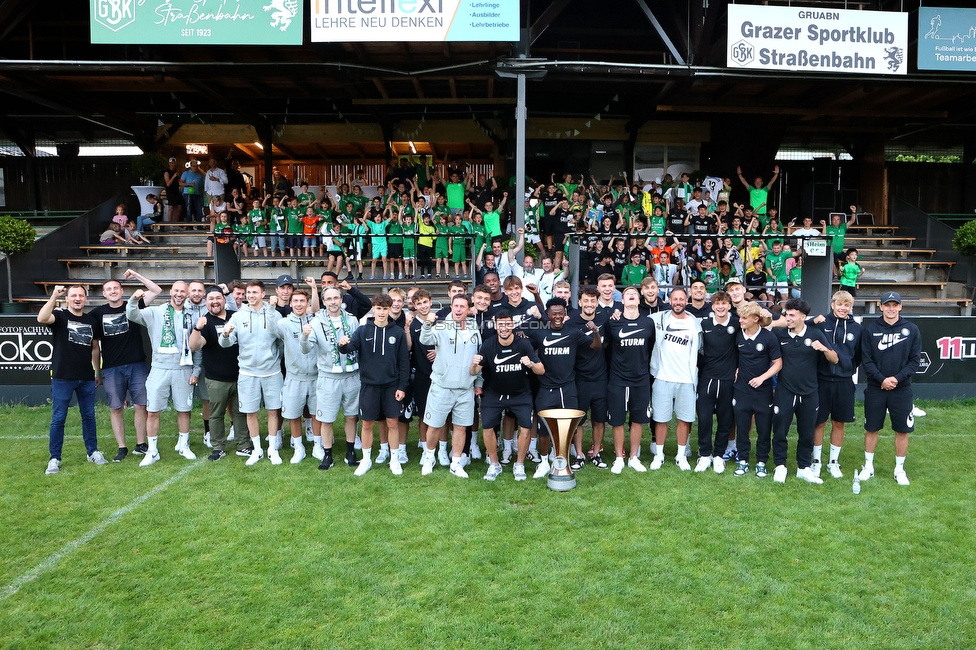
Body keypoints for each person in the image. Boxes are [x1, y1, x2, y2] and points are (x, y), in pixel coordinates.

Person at [126, 281, 202, 466]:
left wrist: (196, 369)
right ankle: (152, 451)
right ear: (171, 292)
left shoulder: (192, 315)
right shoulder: (156, 312)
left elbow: (198, 346)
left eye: (182, 291)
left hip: (183, 368)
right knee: (152, 411)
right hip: (159, 368)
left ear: (186, 294)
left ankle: (184, 445)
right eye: (176, 290)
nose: (179, 294)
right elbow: (132, 314)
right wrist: (133, 300)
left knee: (184, 410)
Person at [525, 297, 602, 479]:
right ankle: (544, 462)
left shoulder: (573, 333)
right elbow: (526, 347)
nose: (557, 316)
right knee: (544, 429)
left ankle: (563, 459)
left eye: (561, 313)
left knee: (569, 428)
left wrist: (596, 332)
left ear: (565, 314)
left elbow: (595, 346)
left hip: (568, 388)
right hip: (546, 388)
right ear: (548, 315)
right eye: (554, 314)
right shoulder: (540, 334)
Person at [89, 271, 161, 462]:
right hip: (112, 368)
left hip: (137, 364)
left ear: (121, 290)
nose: (113, 291)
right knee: (116, 408)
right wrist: (97, 370)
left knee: (141, 405)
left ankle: (140, 444)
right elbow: (95, 347)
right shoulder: (96, 314)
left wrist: (136, 275)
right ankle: (122, 447)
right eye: (109, 289)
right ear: (104, 294)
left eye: (116, 288)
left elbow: (156, 289)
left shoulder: (134, 304)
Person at [338, 294, 410, 476]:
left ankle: (394, 460)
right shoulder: (363, 331)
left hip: (392, 386)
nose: (381, 312)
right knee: (368, 423)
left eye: (385, 309)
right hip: (369, 386)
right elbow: (349, 348)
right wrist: (342, 345)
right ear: (373, 309)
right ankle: (366, 460)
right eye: (378, 308)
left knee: (393, 422)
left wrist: (402, 387)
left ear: (389, 309)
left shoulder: (398, 332)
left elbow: (404, 362)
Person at [38, 285, 107, 474]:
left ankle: (92, 452)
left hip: (86, 377)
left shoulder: (91, 321)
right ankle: (54, 458)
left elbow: (95, 348)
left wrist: (97, 372)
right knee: (59, 418)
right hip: (62, 376)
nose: (77, 298)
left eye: (81, 295)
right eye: (73, 295)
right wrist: (53, 296)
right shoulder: (60, 317)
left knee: (89, 416)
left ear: (85, 299)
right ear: (67, 299)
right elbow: (42, 317)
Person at [770, 298, 839, 484]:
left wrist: (824, 349)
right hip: (785, 390)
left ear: (803, 317)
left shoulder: (816, 334)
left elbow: (834, 359)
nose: (788, 318)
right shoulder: (780, 335)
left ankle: (804, 467)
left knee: (807, 432)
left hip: (809, 392)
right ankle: (780, 466)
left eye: (792, 315)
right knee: (780, 431)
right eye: (787, 314)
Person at [857, 291, 921, 486]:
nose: (891, 308)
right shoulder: (870, 329)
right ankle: (868, 467)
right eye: (887, 305)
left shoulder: (911, 329)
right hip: (876, 388)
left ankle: (899, 470)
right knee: (872, 428)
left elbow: (915, 360)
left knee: (902, 430)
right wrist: (881, 379)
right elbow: (866, 360)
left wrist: (896, 379)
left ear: (900, 307)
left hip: (902, 389)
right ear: (881, 306)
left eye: (895, 305)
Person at [471, 310, 544, 481]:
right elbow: (473, 371)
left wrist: (531, 363)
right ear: (496, 326)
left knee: (526, 427)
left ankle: (519, 465)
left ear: (512, 325)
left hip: (520, 393)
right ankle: (494, 464)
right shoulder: (488, 345)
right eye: (500, 324)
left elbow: (541, 370)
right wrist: (474, 365)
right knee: (488, 427)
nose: (504, 328)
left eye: (507, 324)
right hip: (494, 393)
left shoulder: (523, 344)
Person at [219, 280, 284, 466]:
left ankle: (272, 449)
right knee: (250, 412)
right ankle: (257, 449)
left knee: (273, 410)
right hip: (247, 373)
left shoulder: (274, 313)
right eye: (248, 292)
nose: (250, 296)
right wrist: (224, 334)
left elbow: (280, 341)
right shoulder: (238, 316)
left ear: (263, 294)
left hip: (271, 372)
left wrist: (273, 359)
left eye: (255, 292)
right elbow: (226, 343)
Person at [419, 293, 483, 478]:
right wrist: (427, 323)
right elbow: (425, 340)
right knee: (434, 425)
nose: (458, 310)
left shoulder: (474, 330)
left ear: (468, 309)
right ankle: (429, 457)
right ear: (452, 307)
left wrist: (478, 382)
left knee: (461, 427)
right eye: (456, 306)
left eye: (462, 307)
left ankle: (456, 462)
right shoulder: (441, 327)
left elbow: (477, 359)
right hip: (442, 386)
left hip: (465, 389)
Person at [301, 286, 362, 470]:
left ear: (341, 299)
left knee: (352, 416)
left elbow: (358, 345)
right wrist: (304, 337)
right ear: (324, 301)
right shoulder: (316, 322)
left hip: (351, 376)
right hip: (328, 377)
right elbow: (306, 349)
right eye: (329, 299)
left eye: (336, 298)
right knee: (326, 419)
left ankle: (350, 451)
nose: (333, 302)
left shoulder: (351, 320)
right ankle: (327, 454)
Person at [188, 285, 250, 461]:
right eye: (211, 299)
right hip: (216, 378)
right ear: (206, 302)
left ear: (224, 299)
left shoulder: (235, 317)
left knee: (240, 412)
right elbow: (194, 346)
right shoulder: (205, 322)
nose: (215, 302)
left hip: (241, 375)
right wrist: (197, 328)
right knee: (216, 414)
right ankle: (218, 447)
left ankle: (243, 444)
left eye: (218, 298)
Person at [809, 290, 862, 479]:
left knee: (839, 422)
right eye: (839, 304)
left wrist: (846, 367)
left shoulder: (856, 328)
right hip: (821, 380)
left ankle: (833, 462)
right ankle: (816, 462)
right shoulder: (822, 323)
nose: (843, 308)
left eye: (847, 305)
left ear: (850, 307)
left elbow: (858, 356)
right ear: (833, 305)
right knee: (819, 422)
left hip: (844, 382)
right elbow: (801, 328)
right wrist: (811, 320)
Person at [648, 287, 703, 471]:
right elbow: (636, 317)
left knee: (684, 419)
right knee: (660, 419)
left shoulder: (694, 323)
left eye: (681, 299)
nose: (678, 302)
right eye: (675, 299)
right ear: (669, 301)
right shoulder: (659, 319)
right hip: (663, 376)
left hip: (686, 378)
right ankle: (659, 455)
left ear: (686, 301)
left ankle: (681, 455)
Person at [606, 286, 655, 474]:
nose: (632, 295)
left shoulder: (648, 323)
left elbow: (650, 347)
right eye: (627, 294)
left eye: (634, 293)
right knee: (617, 420)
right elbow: (607, 347)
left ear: (639, 298)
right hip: (618, 379)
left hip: (641, 379)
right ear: (623, 300)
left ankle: (634, 457)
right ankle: (619, 457)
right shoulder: (614, 322)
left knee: (638, 419)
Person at [731, 301, 782, 479]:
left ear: (755, 319)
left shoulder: (768, 338)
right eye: (740, 318)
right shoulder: (738, 336)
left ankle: (761, 462)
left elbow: (778, 363)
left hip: (763, 391)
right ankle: (743, 461)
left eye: (744, 318)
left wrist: (762, 378)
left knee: (763, 429)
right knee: (743, 428)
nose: (741, 321)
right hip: (741, 390)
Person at [273, 288, 320, 464]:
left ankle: (317, 445)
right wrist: (271, 309)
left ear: (307, 303)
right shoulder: (284, 323)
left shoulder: (316, 322)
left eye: (302, 301)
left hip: (315, 376)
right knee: (293, 415)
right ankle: (298, 447)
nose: (299, 304)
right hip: (294, 376)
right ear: (290, 303)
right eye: (296, 301)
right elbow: (271, 330)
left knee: (316, 414)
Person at [566, 285, 611, 469]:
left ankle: (596, 453)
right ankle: (579, 455)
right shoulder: (571, 321)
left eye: (593, 300)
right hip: (579, 378)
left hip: (600, 378)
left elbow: (607, 344)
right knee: (579, 419)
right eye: (586, 300)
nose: (590, 304)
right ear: (579, 302)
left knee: (599, 419)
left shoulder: (605, 319)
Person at [694, 290, 737, 473]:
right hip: (707, 378)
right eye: (717, 304)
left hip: (728, 379)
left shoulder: (737, 323)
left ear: (729, 305)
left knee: (725, 420)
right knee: (704, 419)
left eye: (724, 303)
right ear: (712, 306)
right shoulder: (703, 324)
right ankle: (704, 455)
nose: (720, 307)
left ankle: (719, 455)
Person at [163, 156, 185, 222]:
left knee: (179, 206)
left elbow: (178, 182)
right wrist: (173, 176)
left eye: (174, 163)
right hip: (170, 192)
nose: (173, 164)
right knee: (171, 207)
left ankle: (175, 222)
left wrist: (188, 184)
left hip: (176, 191)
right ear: (169, 163)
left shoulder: (176, 171)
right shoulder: (167, 172)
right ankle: (170, 223)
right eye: (172, 163)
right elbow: (168, 184)